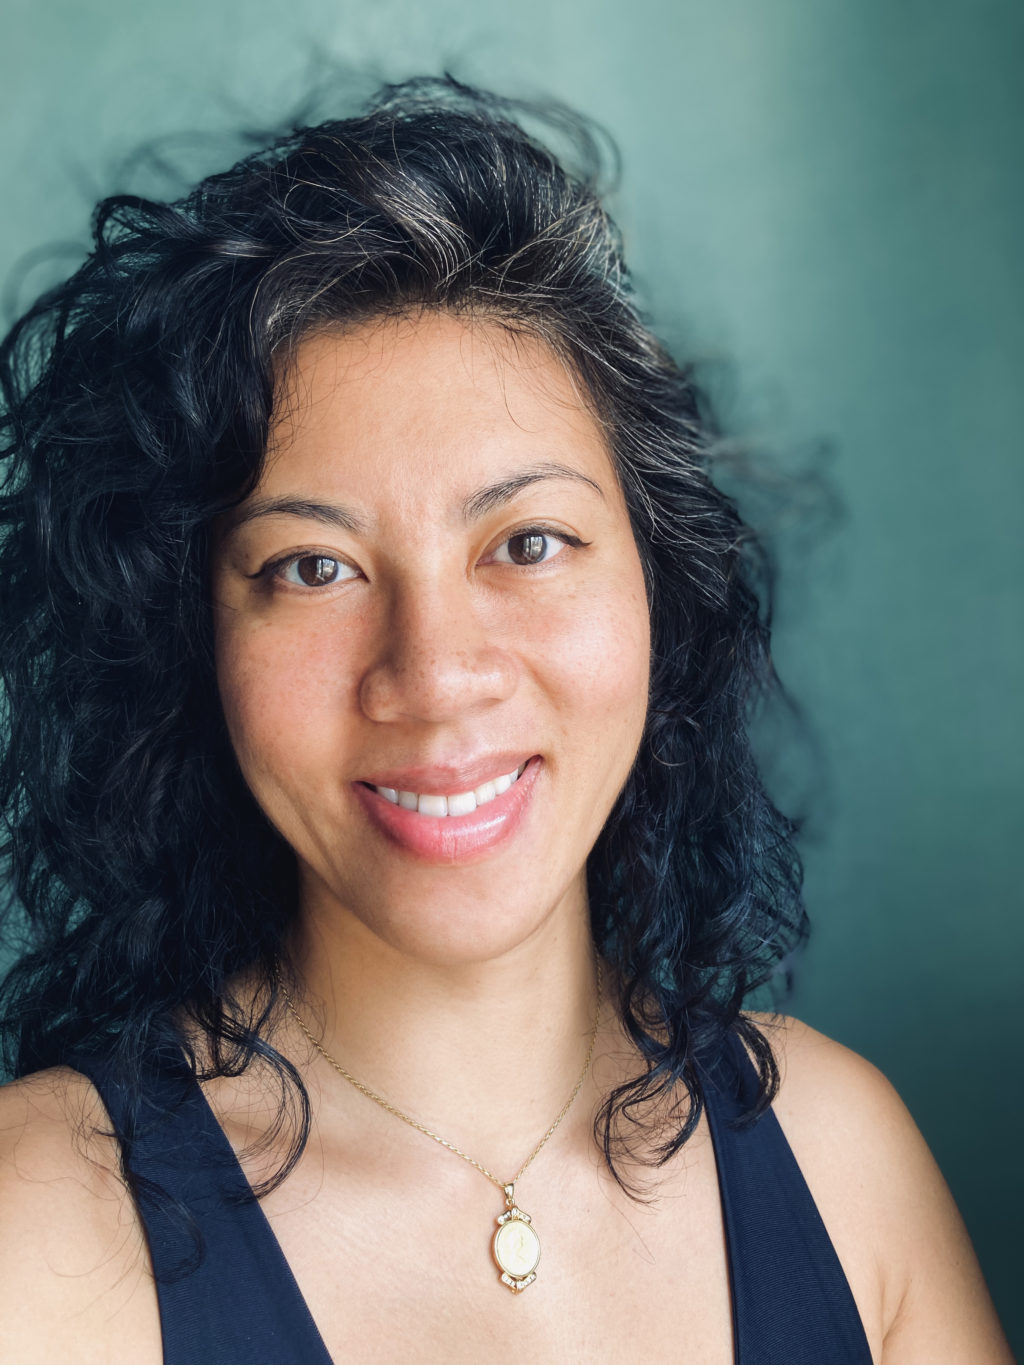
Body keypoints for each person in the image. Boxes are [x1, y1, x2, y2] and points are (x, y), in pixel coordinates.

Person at [0, 77, 1010, 1364]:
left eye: (527, 542)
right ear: (192, 642)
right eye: (314, 567)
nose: (434, 674)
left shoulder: (843, 1160)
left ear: (657, 589)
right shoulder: (36, 1230)